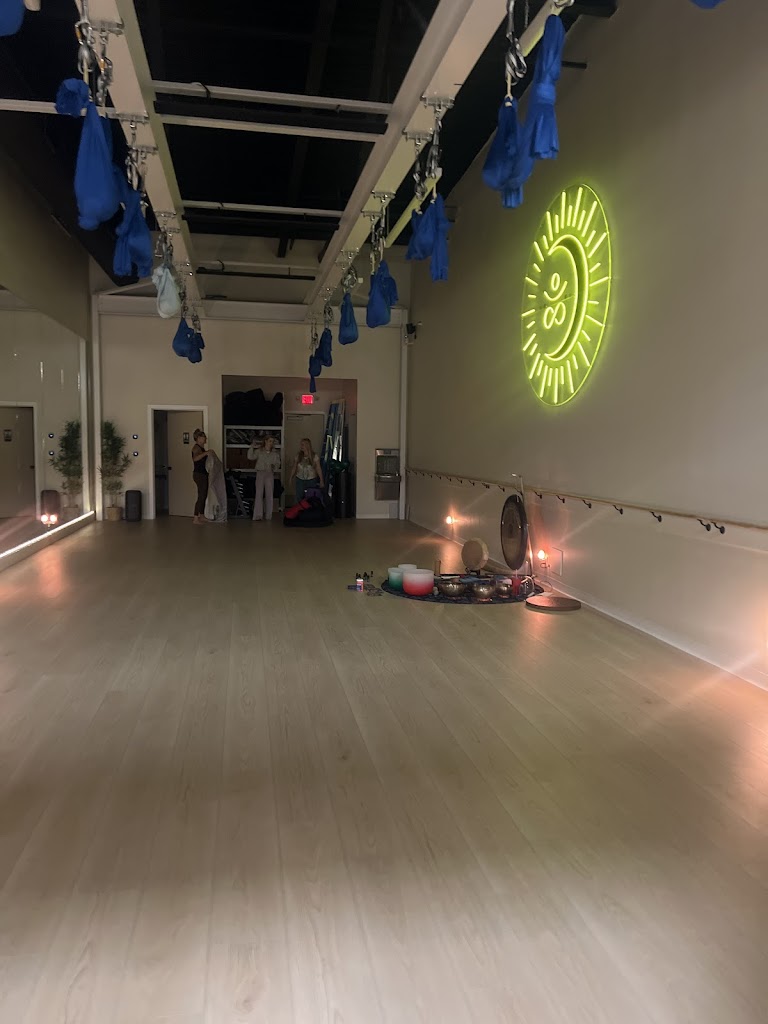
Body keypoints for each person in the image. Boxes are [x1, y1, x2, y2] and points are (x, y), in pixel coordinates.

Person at [247, 434, 280, 521]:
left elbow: (277, 463)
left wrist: (274, 467)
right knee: (259, 493)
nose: (271, 443)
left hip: (269, 473)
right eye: (270, 441)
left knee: (269, 494)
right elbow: (250, 457)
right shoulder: (259, 451)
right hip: (260, 472)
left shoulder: (275, 453)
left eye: (272, 441)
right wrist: (252, 447)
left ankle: (269, 515)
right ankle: (258, 515)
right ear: (265, 441)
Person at [290, 438, 324, 503]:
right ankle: (299, 508)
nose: (301, 446)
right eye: (301, 444)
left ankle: (309, 509)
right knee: (299, 496)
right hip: (300, 479)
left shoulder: (314, 456)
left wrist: (321, 480)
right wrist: (291, 477)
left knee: (310, 497)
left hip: (311, 479)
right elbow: (294, 467)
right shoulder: (298, 456)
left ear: (307, 445)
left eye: (303, 445)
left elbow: (318, 468)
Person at [191, 428, 212, 525]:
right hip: (199, 474)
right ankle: (196, 518)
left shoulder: (201, 448)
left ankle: (202, 515)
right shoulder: (196, 448)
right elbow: (195, 459)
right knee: (201, 496)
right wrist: (206, 453)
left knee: (204, 495)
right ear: (199, 438)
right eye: (204, 437)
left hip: (203, 473)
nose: (205, 439)